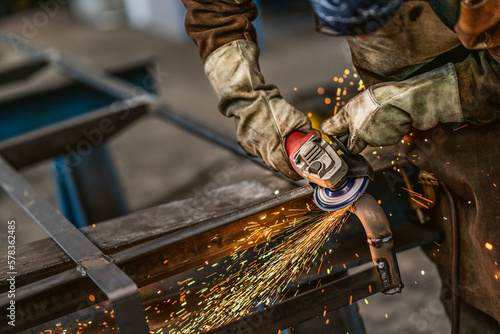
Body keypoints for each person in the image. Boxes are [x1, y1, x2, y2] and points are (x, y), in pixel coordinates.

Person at [180, 0, 500, 332]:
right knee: (468, 268)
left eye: (380, 26)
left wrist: (421, 98)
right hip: (430, 143)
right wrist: (254, 107)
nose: (360, 42)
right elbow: (214, 13)